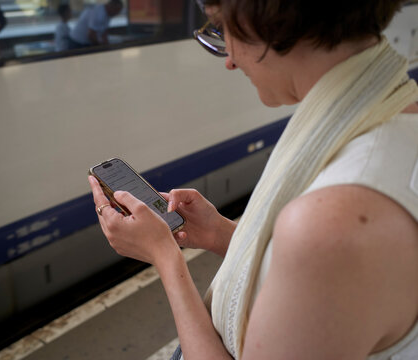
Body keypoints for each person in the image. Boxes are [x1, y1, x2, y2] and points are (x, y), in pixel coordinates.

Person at [88, 0, 418, 359]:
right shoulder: (398, 112)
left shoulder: (328, 223)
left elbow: (323, 254)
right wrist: (221, 234)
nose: (229, 60)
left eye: (222, 29)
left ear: (265, 24)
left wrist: (165, 258)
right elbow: (322, 286)